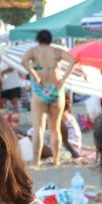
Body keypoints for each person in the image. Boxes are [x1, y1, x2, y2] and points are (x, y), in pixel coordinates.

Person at [25, 30, 78, 167]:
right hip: (56, 89)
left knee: (39, 129)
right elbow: (73, 60)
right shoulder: (56, 51)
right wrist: (63, 79)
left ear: (38, 39)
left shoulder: (33, 51)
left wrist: (35, 75)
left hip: (40, 90)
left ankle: (36, 162)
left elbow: (23, 62)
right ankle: (56, 161)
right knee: (55, 129)